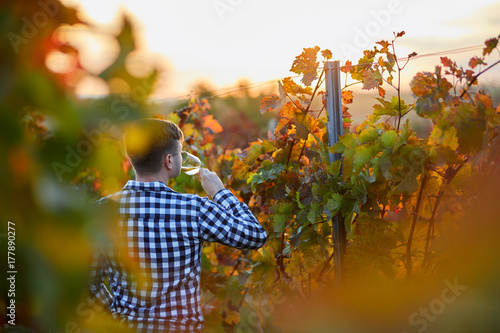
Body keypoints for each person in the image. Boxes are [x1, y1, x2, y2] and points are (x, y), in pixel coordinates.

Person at [88, 118, 267, 332]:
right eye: (180, 153)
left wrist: (116, 317)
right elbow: (255, 235)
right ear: (169, 161)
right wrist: (220, 193)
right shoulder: (194, 209)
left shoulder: (101, 211)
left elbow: (88, 284)